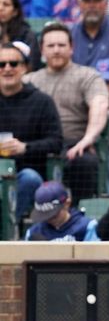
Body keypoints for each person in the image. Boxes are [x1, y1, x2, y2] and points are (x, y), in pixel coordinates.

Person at [24, 23, 109, 203]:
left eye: (61, 45)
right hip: (38, 145)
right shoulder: (29, 80)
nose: (56, 50)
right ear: (42, 50)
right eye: (51, 46)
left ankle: (80, 213)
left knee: (85, 162)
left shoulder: (87, 75)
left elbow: (99, 104)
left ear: (71, 48)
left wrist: (88, 139)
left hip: (74, 145)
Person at [0, 43, 61, 224]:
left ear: (24, 68)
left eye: (13, 63)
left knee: (30, 178)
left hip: (27, 173)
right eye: (1, 65)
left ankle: (6, 229)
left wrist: (24, 147)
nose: (7, 69)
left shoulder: (42, 101)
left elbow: (56, 141)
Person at [24, 182, 100, 242]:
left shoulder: (86, 227)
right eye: (45, 216)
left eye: (54, 216)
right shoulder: (33, 232)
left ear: (67, 204)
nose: (50, 219)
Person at [0, 0, 40, 68]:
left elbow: (33, 65)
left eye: (6, 4)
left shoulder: (27, 35)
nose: (0, 8)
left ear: (15, 11)